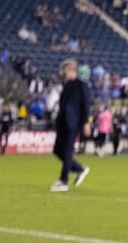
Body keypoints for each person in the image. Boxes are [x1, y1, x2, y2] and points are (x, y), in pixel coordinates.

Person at [50, 58, 91, 192]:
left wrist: (85, 122)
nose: (63, 73)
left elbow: (85, 104)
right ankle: (79, 169)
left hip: (73, 122)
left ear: (71, 70)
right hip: (63, 122)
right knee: (57, 150)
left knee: (67, 150)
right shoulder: (67, 85)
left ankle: (63, 181)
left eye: (65, 70)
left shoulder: (80, 85)